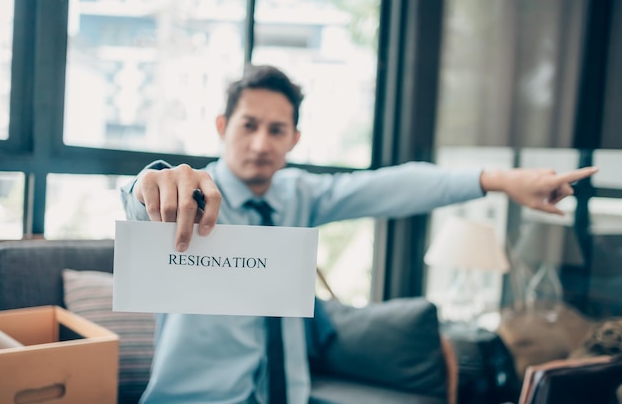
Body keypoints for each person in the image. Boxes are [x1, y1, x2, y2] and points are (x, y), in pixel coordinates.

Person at [121, 64, 598, 404]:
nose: (261, 143)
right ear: (223, 127)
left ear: (294, 140)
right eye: (248, 126)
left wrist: (499, 181)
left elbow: (393, 185)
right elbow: (143, 203)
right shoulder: (193, 197)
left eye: (277, 129)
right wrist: (149, 183)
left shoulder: (299, 194)